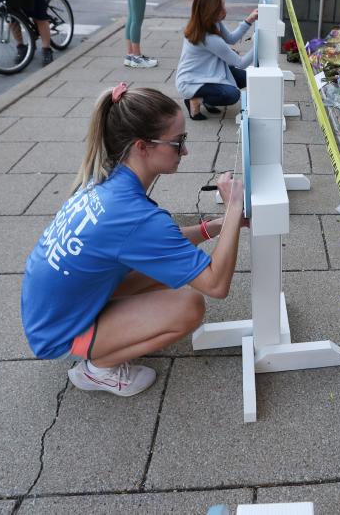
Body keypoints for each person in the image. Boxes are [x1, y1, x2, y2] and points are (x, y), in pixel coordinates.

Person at [20, 84, 247, 396]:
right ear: (142, 146)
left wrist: (216, 227)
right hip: (59, 327)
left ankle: (107, 335)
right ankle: (98, 369)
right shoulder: (134, 216)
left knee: (169, 274)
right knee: (189, 306)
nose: (185, 151)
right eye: (178, 142)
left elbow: (161, 244)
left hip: (53, 307)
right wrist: (234, 207)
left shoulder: (107, 179)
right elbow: (216, 285)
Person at [175, 0, 257, 120]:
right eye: (221, 7)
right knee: (232, 95)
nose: (225, 9)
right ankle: (195, 99)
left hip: (207, 72)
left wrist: (248, 21)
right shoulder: (208, 38)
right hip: (191, 81)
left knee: (246, 78)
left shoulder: (212, 23)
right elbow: (241, 63)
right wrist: (259, 45)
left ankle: (208, 99)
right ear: (211, 12)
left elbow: (231, 39)